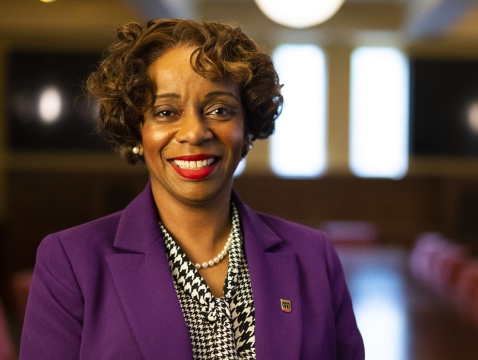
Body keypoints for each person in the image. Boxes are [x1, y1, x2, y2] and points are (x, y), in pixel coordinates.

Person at [19, 18, 365, 359]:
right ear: (138, 130)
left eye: (219, 109)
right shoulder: (71, 261)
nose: (195, 132)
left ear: (247, 128)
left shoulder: (314, 255)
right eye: (166, 112)